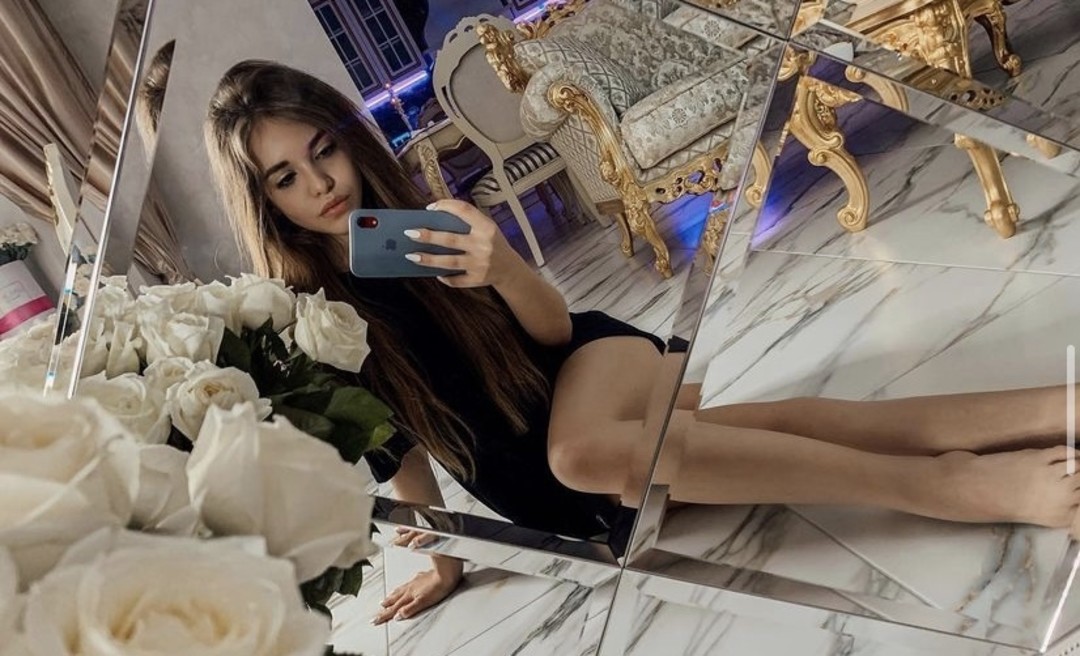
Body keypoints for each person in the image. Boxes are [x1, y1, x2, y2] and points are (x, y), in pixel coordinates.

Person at [204, 60, 1078, 625]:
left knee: (586, 450)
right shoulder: (302, 317)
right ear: (264, 201)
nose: (320, 183)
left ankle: (944, 487)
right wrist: (446, 560)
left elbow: (552, 331)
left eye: (324, 150)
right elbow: (396, 446)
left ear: (349, 140)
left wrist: (502, 265)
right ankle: (1051, 406)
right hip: (571, 494)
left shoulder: (425, 224)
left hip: (593, 373)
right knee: (767, 434)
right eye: (286, 176)